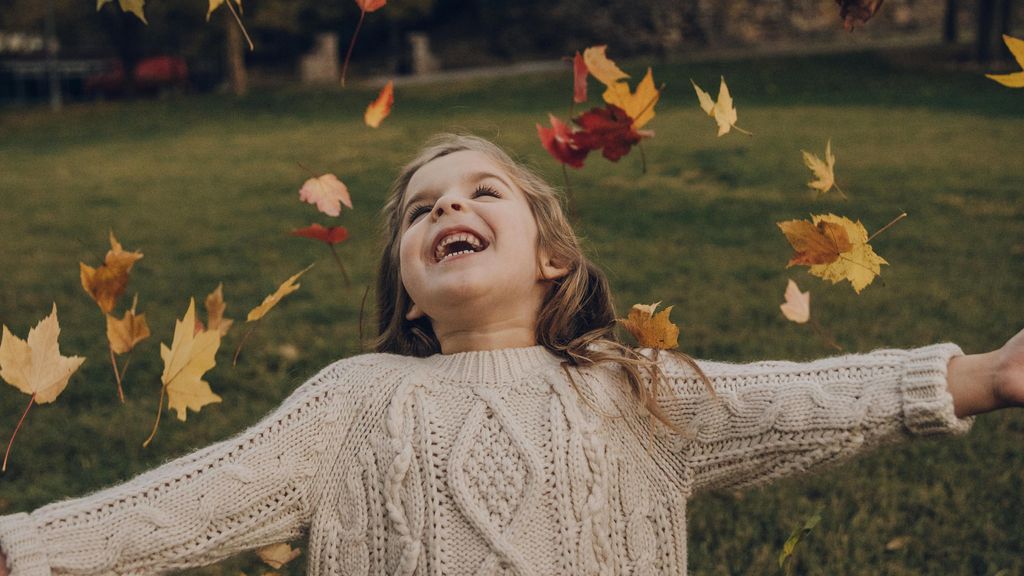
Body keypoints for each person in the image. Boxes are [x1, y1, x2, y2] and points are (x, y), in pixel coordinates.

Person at [0, 133, 1020, 576]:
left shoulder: (623, 385)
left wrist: (977, 377)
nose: (449, 205)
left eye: (482, 192)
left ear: (553, 256)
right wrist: (30, 548)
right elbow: (192, 499)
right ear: (403, 279)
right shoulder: (357, 397)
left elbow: (795, 402)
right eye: (420, 210)